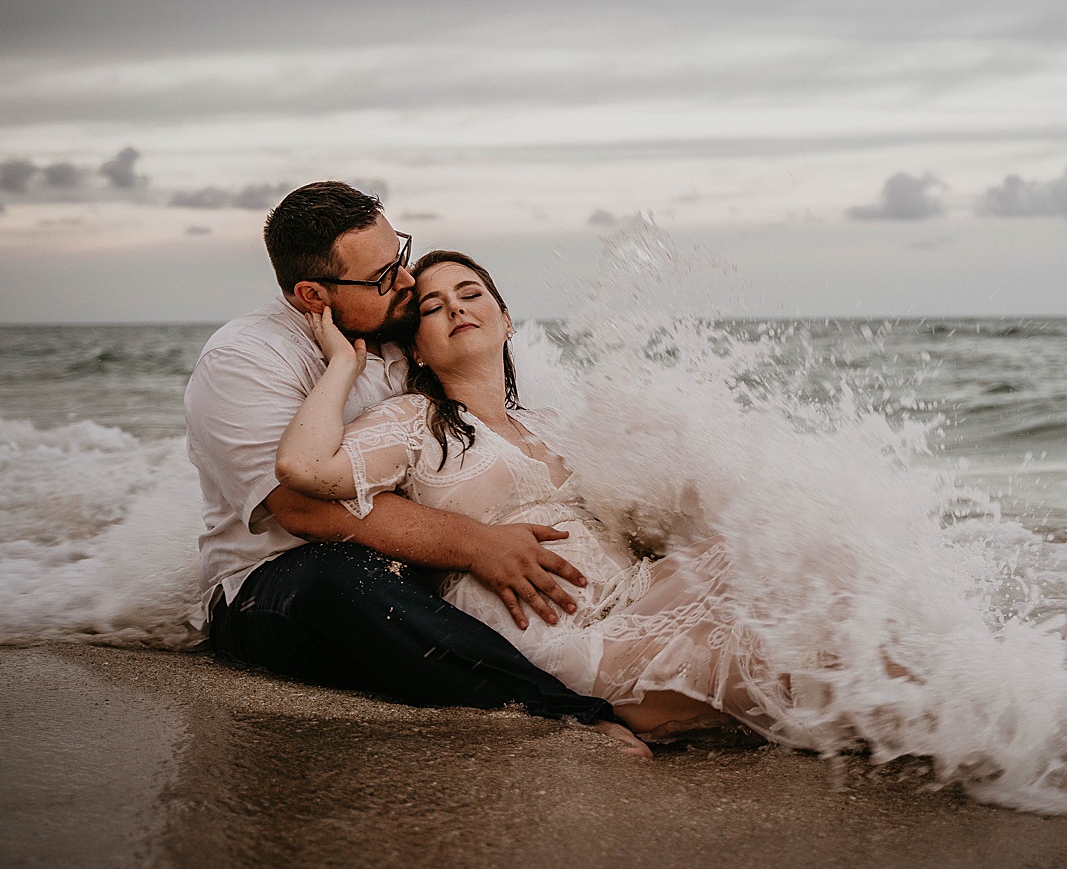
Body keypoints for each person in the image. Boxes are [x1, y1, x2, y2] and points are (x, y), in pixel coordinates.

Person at [184, 181, 649, 755]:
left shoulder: (404, 333)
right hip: (278, 588)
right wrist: (476, 543)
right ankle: (560, 715)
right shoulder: (245, 359)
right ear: (312, 295)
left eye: (399, 257)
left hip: (413, 563)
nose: (406, 282)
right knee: (342, 575)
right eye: (382, 278)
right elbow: (303, 509)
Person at [274, 247, 801, 744]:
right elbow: (304, 468)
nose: (456, 307)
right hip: (561, 633)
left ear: (506, 322)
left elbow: (647, 521)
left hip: (633, 594)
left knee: (782, 563)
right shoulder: (413, 422)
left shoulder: (561, 426)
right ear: (417, 347)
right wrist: (343, 365)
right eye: (433, 307)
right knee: (767, 660)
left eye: (471, 293)